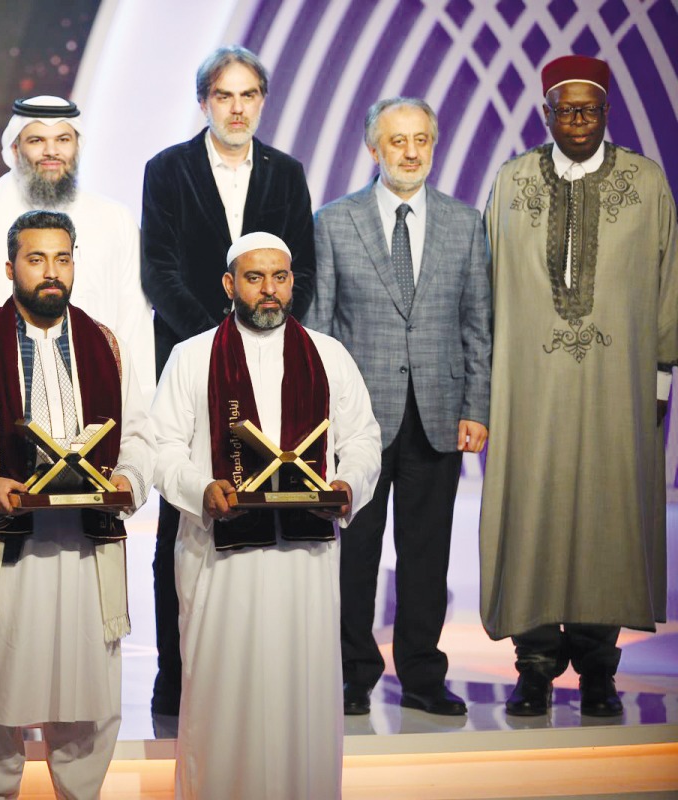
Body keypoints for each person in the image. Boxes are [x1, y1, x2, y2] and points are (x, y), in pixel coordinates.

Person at [0, 210, 155, 799]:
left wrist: (127, 480)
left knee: (88, 697)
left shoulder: (107, 346)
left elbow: (140, 438)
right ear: (10, 268)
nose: (52, 272)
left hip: (85, 550)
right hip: (8, 555)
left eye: (62, 258)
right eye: (36, 259)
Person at [151, 232, 381, 799]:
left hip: (306, 561)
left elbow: (362, 439)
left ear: (292, 282)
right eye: (254, 278)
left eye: (279, 277)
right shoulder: (192, 356)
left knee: (301, 693)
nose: (269, 290)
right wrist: (202, 488)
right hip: (220, 561)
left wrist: (349, 483)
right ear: (230, 285)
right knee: (222, 695)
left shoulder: (328, 355)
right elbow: (161, 448)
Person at [481, 54, 676, 718]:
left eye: (589, 109)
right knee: (529, 509)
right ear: (547, 115)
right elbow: (487, 284)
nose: (578, 120)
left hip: (617, 386)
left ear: (607, 113)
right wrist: (484, 382)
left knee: (607, 515)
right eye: (566, 110)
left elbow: (668, 283)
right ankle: (534, 666)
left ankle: (597, 670)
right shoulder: (512, 182)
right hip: (527, 386)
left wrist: (660, 377)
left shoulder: (645, 183)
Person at [140, 44, 315, 714]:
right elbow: (159, 269)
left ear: (262, 101)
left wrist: (261, 334)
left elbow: (304, 267)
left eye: (248, 95)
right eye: (224, 95)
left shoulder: (287, 173)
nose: (237, 108)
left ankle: (258, 672)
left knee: (264, 506)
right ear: (204, 102)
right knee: (184, 513)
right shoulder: (167, 169)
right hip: (190, 359)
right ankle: (175, 673)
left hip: (272, 362)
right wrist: (215, 338)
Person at [305, 97, 492, 717]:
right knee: (354, 553)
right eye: (397, 141)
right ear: (373, 148)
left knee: (427, 554)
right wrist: (321, 421)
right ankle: (350, 674)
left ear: (433, 145)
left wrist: (477, 405)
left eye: (421, 140)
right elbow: (318, 330)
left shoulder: (465, 223)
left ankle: (422, 675)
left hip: (439, 415)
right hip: (357, 423)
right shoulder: (335, 222)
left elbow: (477, 325)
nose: (411, 153)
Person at [0, 95, 154, 392]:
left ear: (77, 146)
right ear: (15, 149)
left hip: (94, 390)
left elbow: (135, 321)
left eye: (63, 140)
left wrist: (138, 403)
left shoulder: (115, 219)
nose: (51, 151)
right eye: (37, 141)